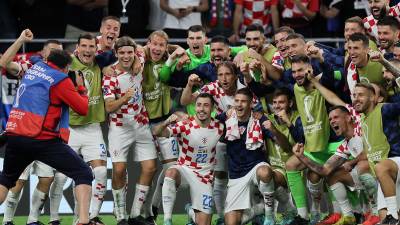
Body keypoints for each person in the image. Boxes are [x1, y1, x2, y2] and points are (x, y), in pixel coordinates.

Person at [0, 45, 93, 225]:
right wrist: (81, 89)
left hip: (16, 135)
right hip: (42, 140)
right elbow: (82, 109)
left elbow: (4, 63)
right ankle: (83, 220)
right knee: (83, 173)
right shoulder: (61, 80)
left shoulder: (34, 69)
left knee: (6, 179)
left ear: (47, 60)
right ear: (65, 67)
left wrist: (20, 39)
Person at [0, 31, 65, 225]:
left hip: (47, 136)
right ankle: (8, 221)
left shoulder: (63, 74)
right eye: (52, 52)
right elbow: (4, 63)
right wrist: (20, 40)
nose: (55, 55)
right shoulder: (31, 68)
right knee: (18, 181)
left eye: (59, 52)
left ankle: (33, 220)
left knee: (46, 179)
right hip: (25, 133)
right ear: (44, 54)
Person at [50, 33, 113, 225]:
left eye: (91, 46)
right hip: (70, 129)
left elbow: (128, 53)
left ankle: (91, 217)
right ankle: (54, 219)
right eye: (83, 46)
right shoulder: (67, 66)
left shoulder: (101, 63)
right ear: (76, 48)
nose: (87, 50)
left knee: (101, 172)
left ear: (96, 48)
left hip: (93, 128)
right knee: (61, 176)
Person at [102, 36, 158, 225]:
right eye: (122, 53)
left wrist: (137, 58)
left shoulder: (139, 59)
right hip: (119, 127)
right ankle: (120, 215)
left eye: (129, 53)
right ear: (116, 54)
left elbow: (144, 48)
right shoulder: (110, 76)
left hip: (141, 124)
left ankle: (135, 214)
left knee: (150, 167)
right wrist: (125, 98)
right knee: (118, 170)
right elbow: (109, 107)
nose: (126, 56)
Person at [218, 88, 290, 225]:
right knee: (231, 223)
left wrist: (273, 129)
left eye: (243, 101)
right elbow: (205, 122)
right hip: (236, 176)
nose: (239, 104)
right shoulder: (226, 119)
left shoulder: (260, 119)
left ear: (251, 104)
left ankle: (269, 217)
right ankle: (259, 210)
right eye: (237, 101)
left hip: (255, 168)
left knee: (264, 172)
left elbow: (285, 146)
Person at [285, 54, 342, 225]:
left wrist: (322, 61)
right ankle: (303, 215)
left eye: (300, 70)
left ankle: (345, 213)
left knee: (333, 174)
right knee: (291, 165)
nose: (297, 75)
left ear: (309, 67)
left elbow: (334, 74)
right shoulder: (296, 87)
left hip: (334, 142)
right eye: (294, 71)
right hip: (313, 143)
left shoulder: (322, 80)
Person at [153, 93, 224, 225]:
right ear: (194, 107)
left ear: (213, 108)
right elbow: (157, 132)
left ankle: (191, 212)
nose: (201, 109)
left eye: (206, 105)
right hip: (185, 170)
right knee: (171, 172)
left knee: (204, 223)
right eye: (199, 105)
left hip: (204, 177)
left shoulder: (219, 127)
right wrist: (167, 122)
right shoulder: (185, 125)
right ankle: (167, 220)